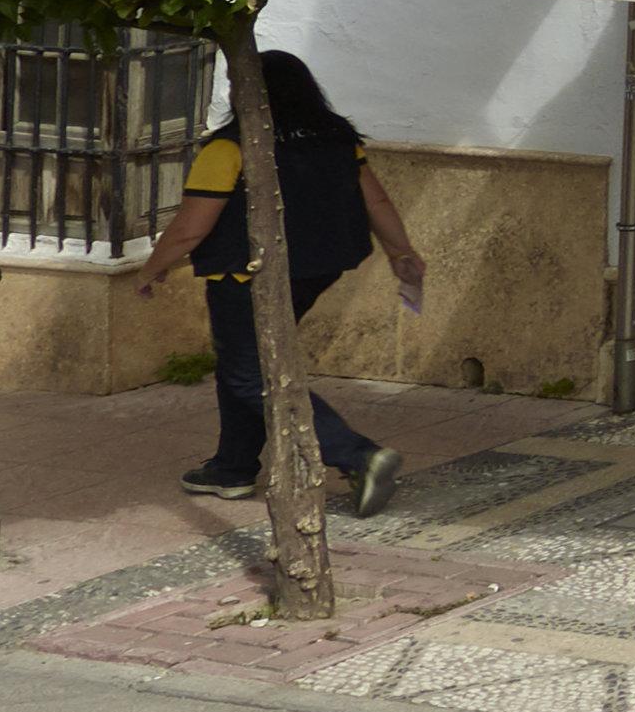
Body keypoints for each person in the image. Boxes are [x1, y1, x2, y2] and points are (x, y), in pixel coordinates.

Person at [141, 50, 425, 505]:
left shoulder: (230, 146)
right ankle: (231, 468)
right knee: (246, 361)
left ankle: (359, 455)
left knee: (252, 373)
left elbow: (192, 227)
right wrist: (401, 253)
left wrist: (152, 269)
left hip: (247, 275)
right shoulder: (337, 137)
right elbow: (378, 204)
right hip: (317, 268)